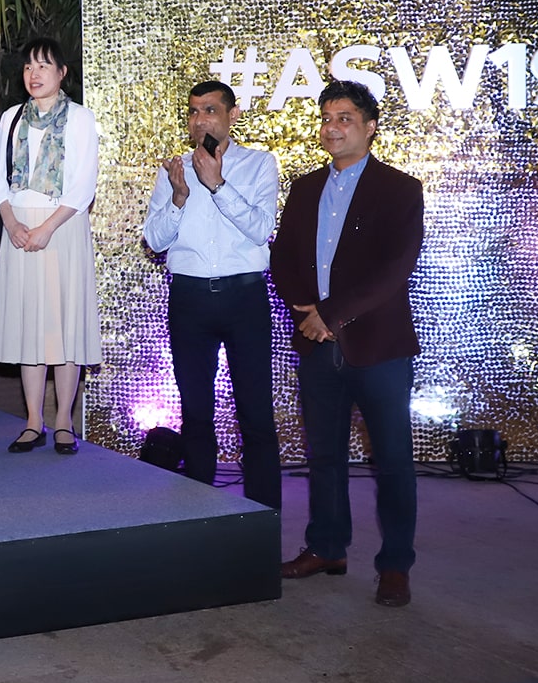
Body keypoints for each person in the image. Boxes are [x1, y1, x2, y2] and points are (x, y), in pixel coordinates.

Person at [269, 81, 425, 609]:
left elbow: (394, 269)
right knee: (325, 456)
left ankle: (395, 566)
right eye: (326, 118)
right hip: (317, 346)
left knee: (393, 461)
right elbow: (283, 256)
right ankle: (327, 548)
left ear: (370, 126)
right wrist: (306, 311)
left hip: (379, 347)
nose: (332, 128)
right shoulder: (306, 187)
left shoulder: (400, 189)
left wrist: (330, 316)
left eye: (345, 119)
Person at [141, 79, 283, 504]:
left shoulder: (259, 164)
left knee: (256, 415)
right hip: (190, 299)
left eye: (210, 110)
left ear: (232, 115)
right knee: (196, 413)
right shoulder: (174, 170)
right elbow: (155, 240)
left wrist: (218, 184)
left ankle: (263, 518)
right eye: (193, 111)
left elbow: (261, 229)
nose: (200, 119)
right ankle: (200, 516)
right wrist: (179, 198)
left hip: (245, 298)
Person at [0, 37, 101, 454]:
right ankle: (33, 421)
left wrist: (47, 228)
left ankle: (63, 420)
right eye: (28, 67)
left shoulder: (80, 119)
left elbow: (84, 184)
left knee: (64, 323)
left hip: (62, 227)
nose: (34, 74)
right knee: (29, 325)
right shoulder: (10, 118)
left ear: (62, 73)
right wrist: (11, 222)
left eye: (43, 66)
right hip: (19, 228)